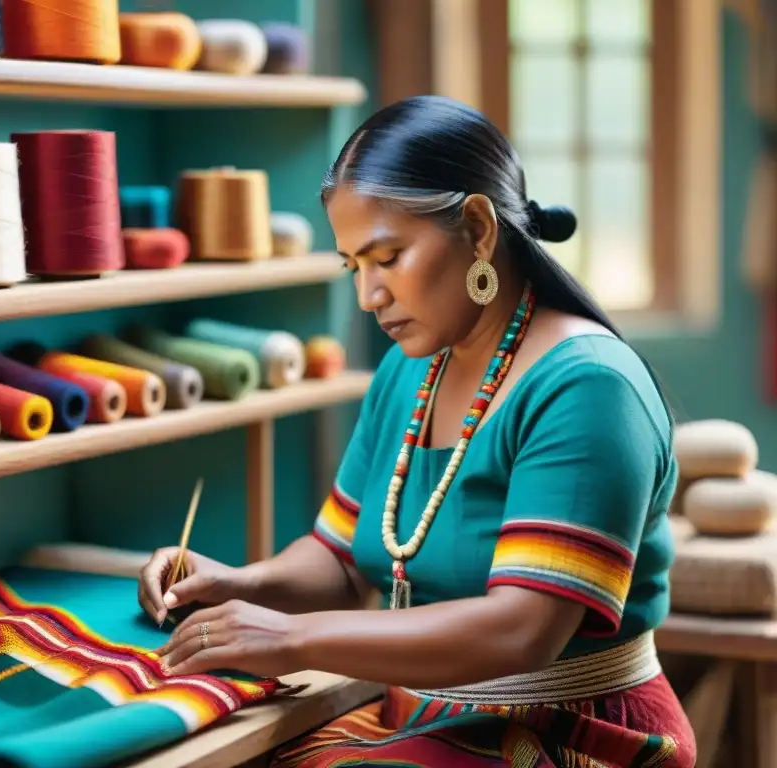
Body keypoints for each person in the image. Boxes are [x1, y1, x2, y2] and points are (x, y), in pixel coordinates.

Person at [137, 95, 695, 767]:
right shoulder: (410, 375)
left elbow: (523, 630)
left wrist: (291, 639)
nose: (368, 295)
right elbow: (341, 559)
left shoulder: (589, 386)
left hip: (569, 733)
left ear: (479, 228)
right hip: (424, 715)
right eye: (354, 267)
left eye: (389, 256)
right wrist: (236, 585)